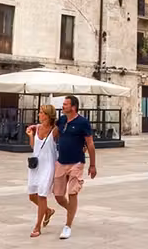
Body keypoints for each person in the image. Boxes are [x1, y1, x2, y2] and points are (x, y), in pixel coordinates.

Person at [53, 96, 96, 240]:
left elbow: (90, 144)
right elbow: (53, 133)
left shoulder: (82, 122)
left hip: (77, 162)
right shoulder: (62, 120)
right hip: (61, 162)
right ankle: (71, 210)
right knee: (58, 196)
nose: (63, 106)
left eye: (65, 104)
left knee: (72, 193)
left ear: (73, 107)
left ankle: (68, 225)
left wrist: (93, 165)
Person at [26, 104, 58, 237]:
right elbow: (34, 146)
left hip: (48, 165)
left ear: (47, 115)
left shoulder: (55, 130)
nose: (39, 115)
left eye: (41, 112)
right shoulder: (37, 128)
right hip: (36, 165)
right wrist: (30, 136)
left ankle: (37, 226)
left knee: (42, 195)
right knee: (32, 196)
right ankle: (48, 211)